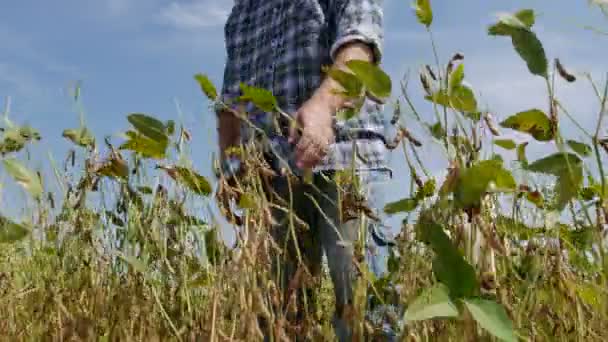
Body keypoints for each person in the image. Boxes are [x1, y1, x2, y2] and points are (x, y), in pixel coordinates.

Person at [215, 0, 397, 340]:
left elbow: (359, 45)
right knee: (282, 315)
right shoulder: (242, 13)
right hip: (274, 179)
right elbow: (230, 103)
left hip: (346, 155)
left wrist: (323, 105)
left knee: (363, 304)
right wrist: (233, 165)